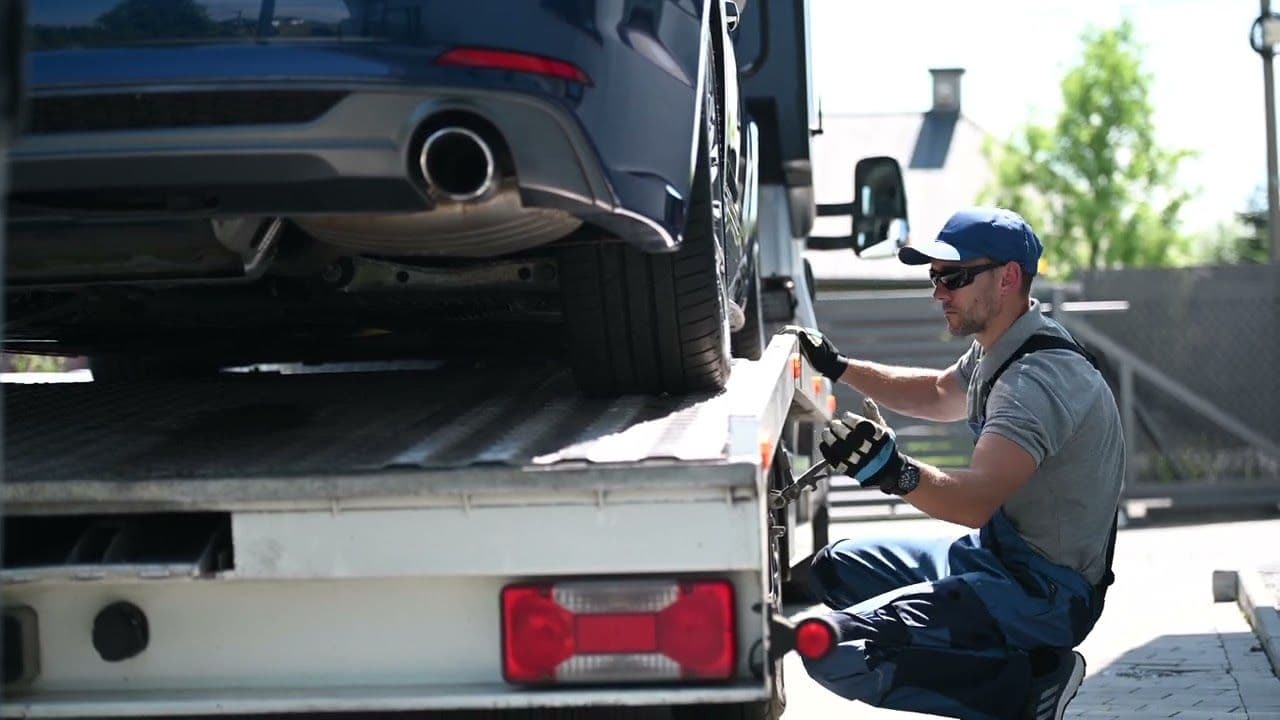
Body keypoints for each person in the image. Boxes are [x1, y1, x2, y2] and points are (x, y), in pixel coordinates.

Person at [781, 207, 1124, 720]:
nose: (938, 293)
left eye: (954, 278)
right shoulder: (1002, 349)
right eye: (935, 277)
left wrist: (890, 472)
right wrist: (840, 368)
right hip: (995, 558)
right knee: (834, 568)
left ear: (1008, 278)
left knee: (834, 650)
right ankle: (1009, 658)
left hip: (1042, 595)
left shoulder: (1036, 381)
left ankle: (1031, 686)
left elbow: (975, 500)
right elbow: (940, 393)